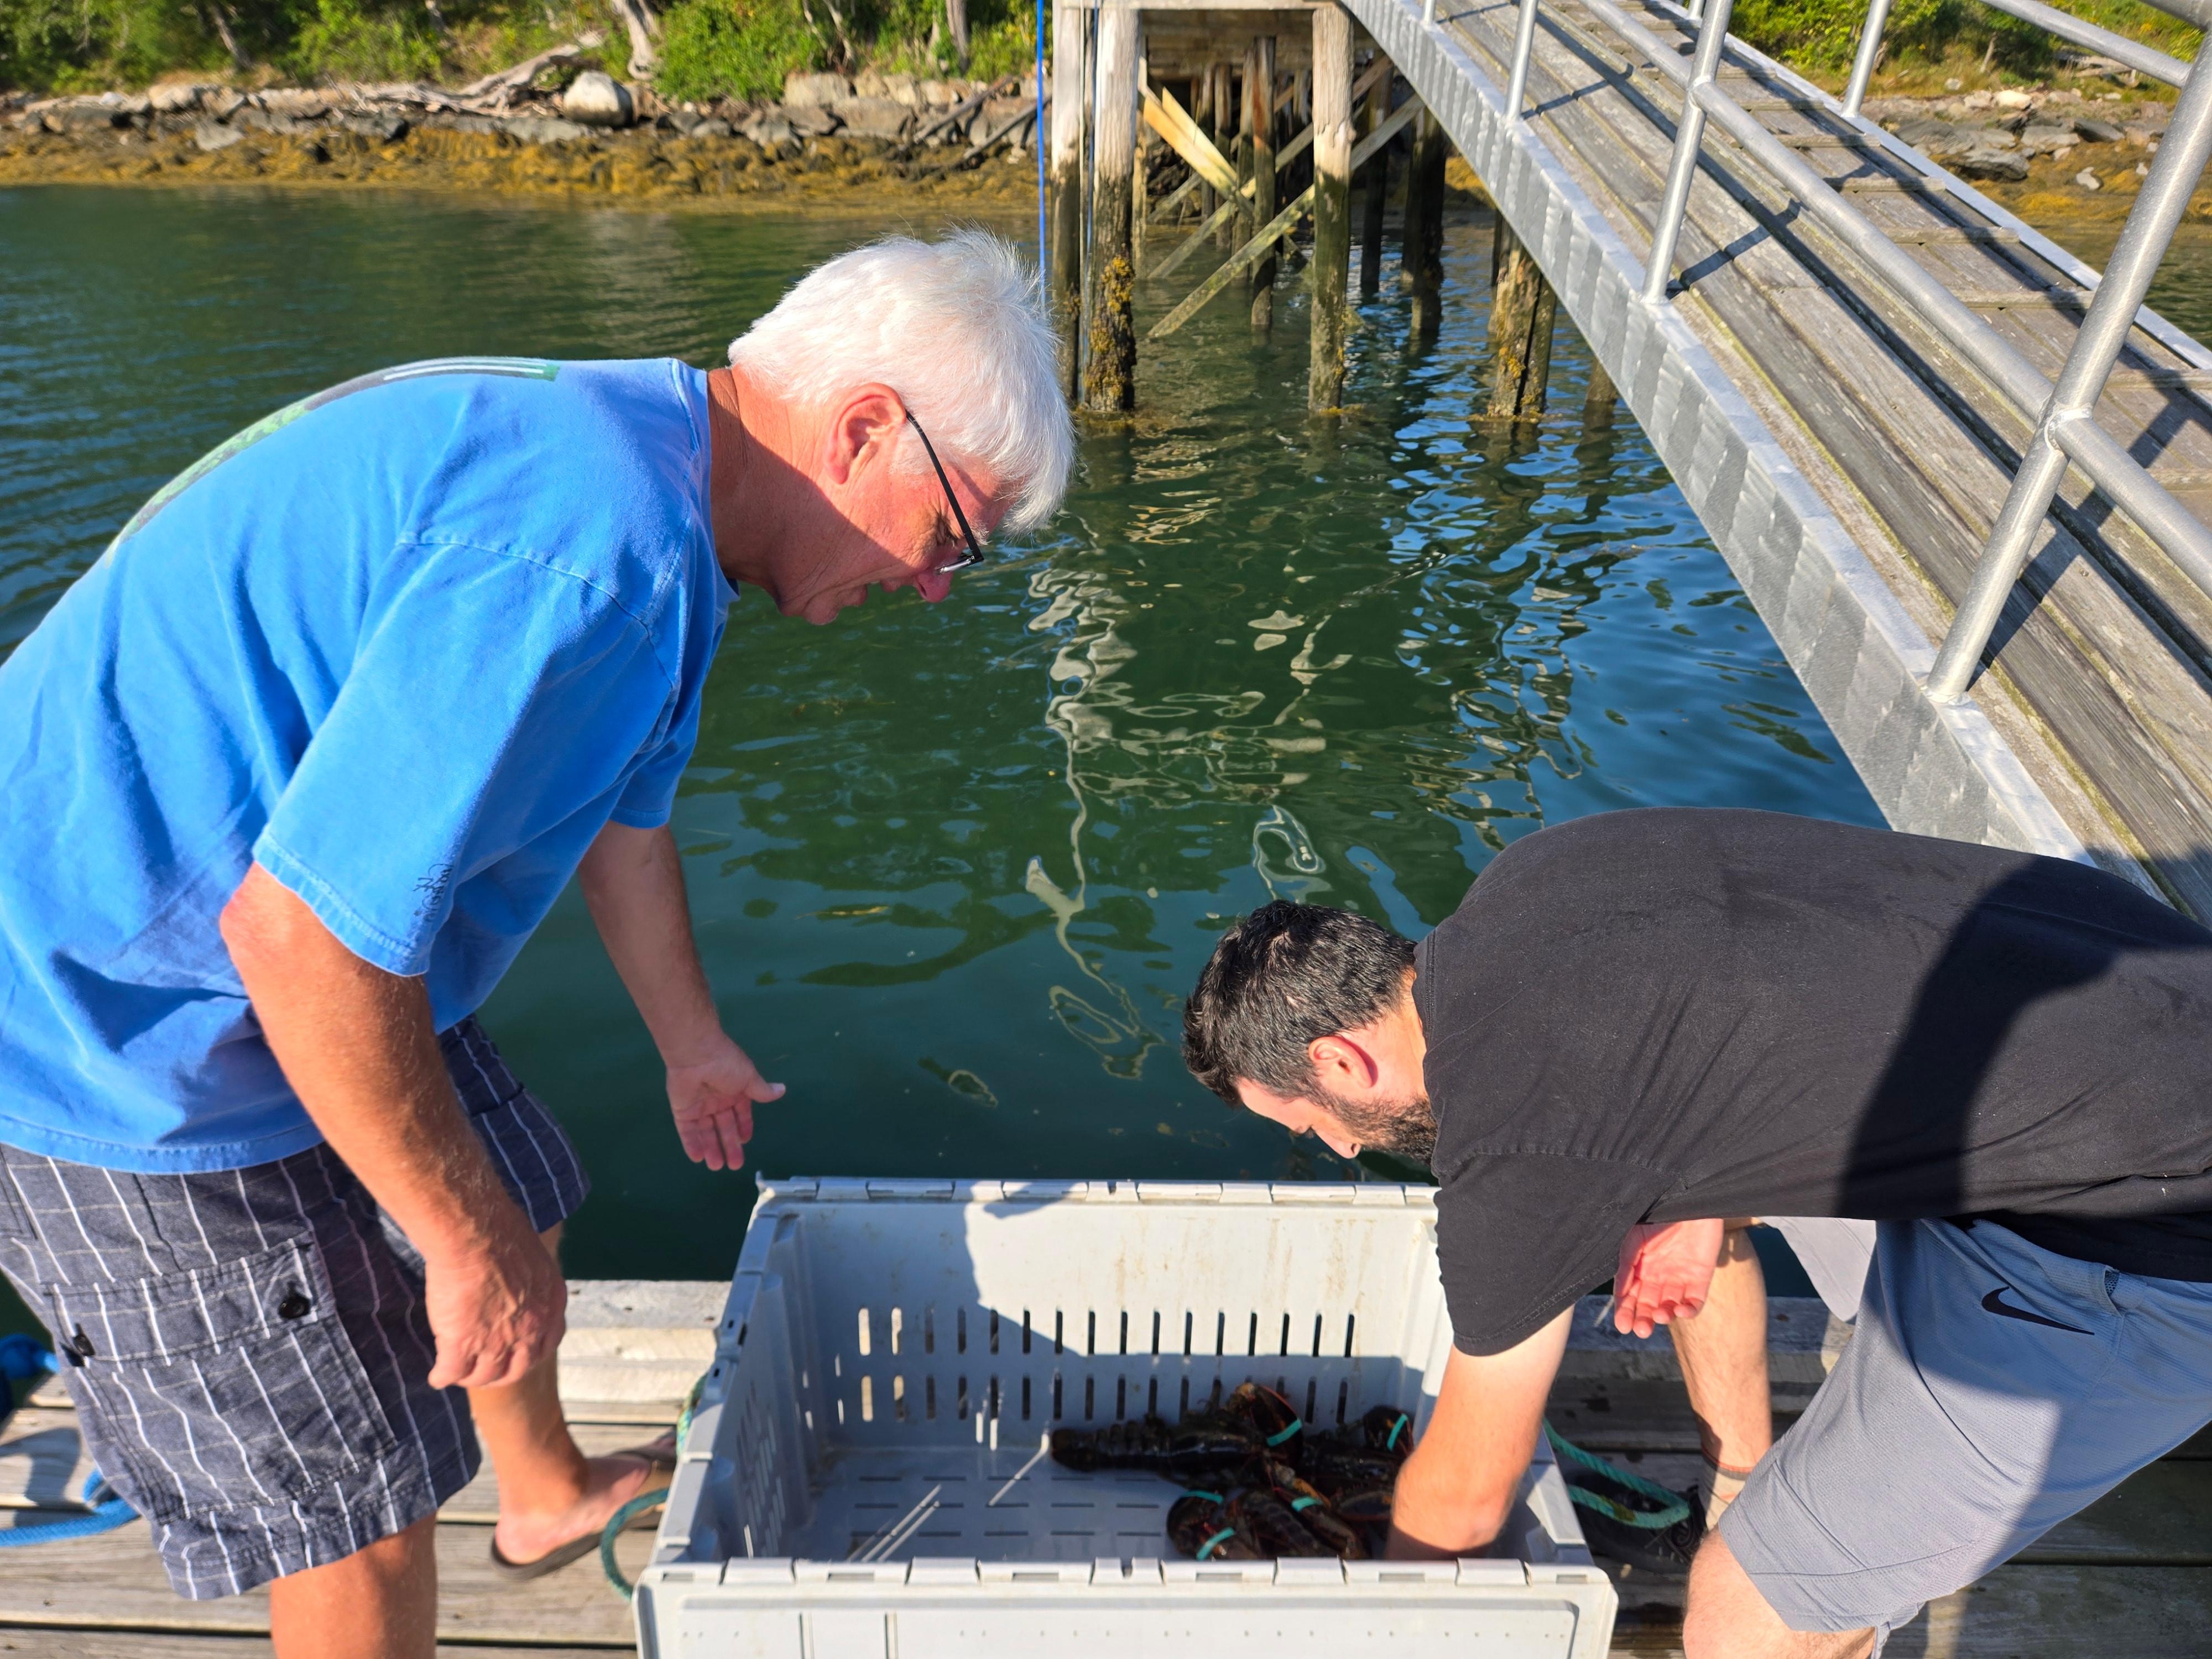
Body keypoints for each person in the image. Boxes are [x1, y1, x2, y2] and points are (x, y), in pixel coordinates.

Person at [0, 231, 1070, 1656]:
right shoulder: (598, 549)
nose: (937, 585)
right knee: (356, 1512)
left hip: (269, 950)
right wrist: (457, 1241)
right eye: (954, 537)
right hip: (103, 1015)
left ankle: (542, 1489)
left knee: (523, 1182)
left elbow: (625, 820)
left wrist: (691, 1045)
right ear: (865, 427)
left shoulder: (662, 475)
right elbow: (305, 941)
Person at [1181, 807, 2212, 1659]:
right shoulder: (1541, 876)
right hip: (2157, 992)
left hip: (2139, 1238)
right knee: (1659, 1197)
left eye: (1312, 1125)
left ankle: (1795, 1562)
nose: (1344, 1152)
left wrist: (1389, 1625)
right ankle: (1741, 1480)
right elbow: (1751, 984)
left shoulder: (1514, 1146)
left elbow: (1463, 1500)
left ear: (1340, 1063)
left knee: (1742, 1618)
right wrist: (1696, 1193)